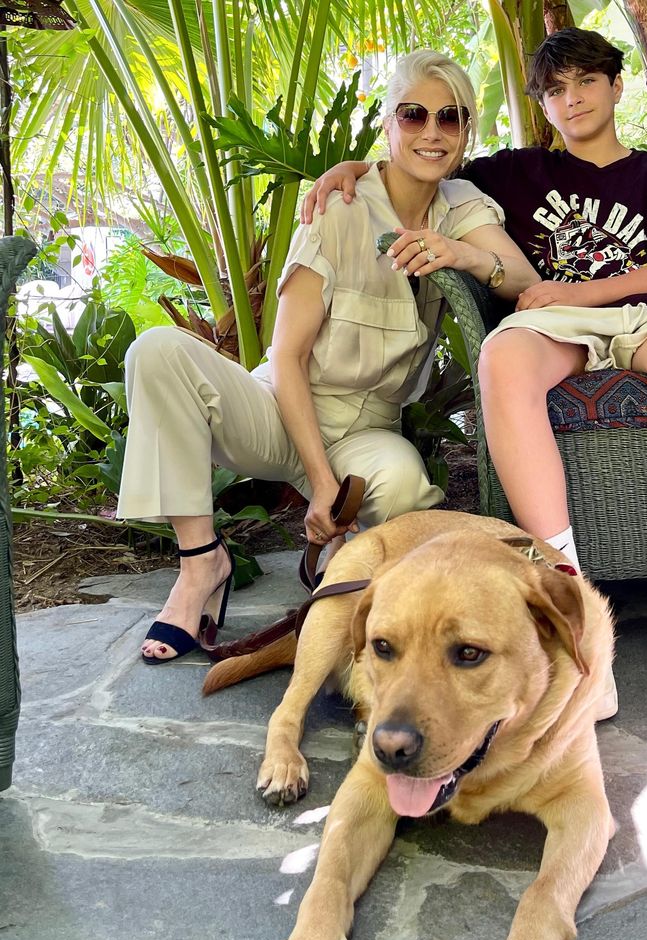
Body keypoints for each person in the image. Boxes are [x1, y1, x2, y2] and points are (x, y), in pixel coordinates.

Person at [302, 28, 647, 721]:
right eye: (556, 90)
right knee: (503, 355)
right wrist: (350, 167)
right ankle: (576, 613)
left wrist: (573, 291)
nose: (572, 98)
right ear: (544, 106)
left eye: (586, 81)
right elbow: (422, 160)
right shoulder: (513, 173)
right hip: (556, 329)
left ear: (617, 86)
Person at [117, 50, 539, 665]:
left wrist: (463, 253)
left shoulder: (461, 206)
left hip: (368, 430)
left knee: (403, 491)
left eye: (450, 118)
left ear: (466, 131)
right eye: (413, 114)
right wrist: (319, 485)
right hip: (280, 409)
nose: (432, 131)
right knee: (156, 351)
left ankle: (352, 573)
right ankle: (201, 565)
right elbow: (286, 358)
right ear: (388, 124)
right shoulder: (337, 207)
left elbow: (521, 277)